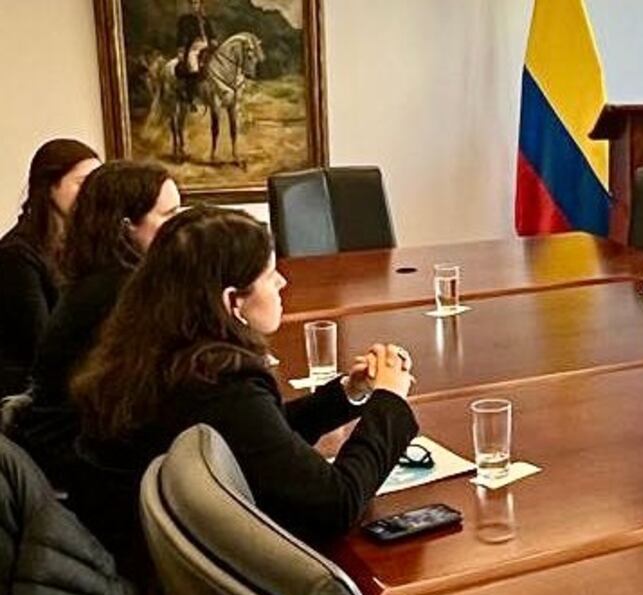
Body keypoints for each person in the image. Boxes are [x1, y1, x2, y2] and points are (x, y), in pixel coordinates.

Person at [73, 206, 418, 550]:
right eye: (269, 275)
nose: (282, 282)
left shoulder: (157, 349)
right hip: (176, 571)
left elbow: (258, 438)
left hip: (131, 549)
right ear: (232, 301)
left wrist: (347, 394)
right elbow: (334, 505)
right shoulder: (218, 381)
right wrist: (389, 402)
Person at [11, 162, 180, 476]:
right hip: (80, 462)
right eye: (169, 215)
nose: (181, 228)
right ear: (127, 226)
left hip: (77, 447)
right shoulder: (120, 292)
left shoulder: (102, 279)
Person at [0, 139, 100, 397]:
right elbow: (41, 343)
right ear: (49, 186)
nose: (92, 194)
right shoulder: (16, 254)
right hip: (30, 394)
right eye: (82, 183)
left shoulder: (85, 245)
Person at [175, 0, 217, 104]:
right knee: (193, 66)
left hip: (207, 47)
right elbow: (181, 36)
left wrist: (213, 40)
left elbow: (211, 34)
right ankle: (191, 95)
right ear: (190, 5)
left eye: (197, 3)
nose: (195, 6)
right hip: (193, 48)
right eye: (193, 3)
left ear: (200, 5)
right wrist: (181, 50)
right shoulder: (185, 20)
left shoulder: (205, 19)